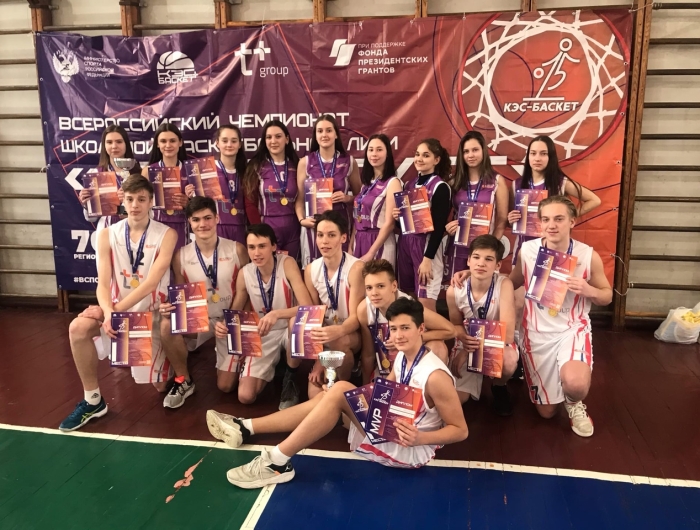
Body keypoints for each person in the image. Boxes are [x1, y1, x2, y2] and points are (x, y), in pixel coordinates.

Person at [206, 297, 469, 488]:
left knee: (340, 390)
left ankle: (276, 461)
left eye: (406, 328)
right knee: (330, 395)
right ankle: (245, 427)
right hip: (389, 424)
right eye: (394, 328)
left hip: (408, 447)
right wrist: (347, 397)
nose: (398, 335)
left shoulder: (435, 376)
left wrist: (420, 438)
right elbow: (382, 392)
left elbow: (460, 430)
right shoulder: (402, 356)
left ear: (421, 329)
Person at [59, 175, 178, 432]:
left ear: (151, 202)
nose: (135, 205)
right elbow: (102, 283)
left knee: (160, 386)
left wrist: (113, 313)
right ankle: (93, 400)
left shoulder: (167, 234)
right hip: (115, 314)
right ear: (122, 200)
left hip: (149, 313)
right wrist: (108, 312)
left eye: (141, 199)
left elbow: (151, 283)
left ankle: (175, 370)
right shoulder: (105, 234)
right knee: (78, 328)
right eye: (130, 199)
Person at [509, 195, 612, 437]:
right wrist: (475, 278)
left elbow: (607, 296)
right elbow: (511, 282)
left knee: (576, 385)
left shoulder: (587, 256)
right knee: (546, 413)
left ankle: (574, 402)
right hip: (536, 334)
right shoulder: (528, 250)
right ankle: (556, 382)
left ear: (572, 221)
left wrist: (589, 290)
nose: (551, 225)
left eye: (558, 219)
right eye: (546, 220)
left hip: (571, 329)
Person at [158, 196, 249, 407]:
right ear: (189, 222)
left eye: (207, 218)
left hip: (230, 321)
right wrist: (170, 308)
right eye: (196, 219)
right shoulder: (181, 256)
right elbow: (181, 296)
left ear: (217, 218)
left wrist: (233, 322)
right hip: (201, 321)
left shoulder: (237, 249)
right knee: (166, 325)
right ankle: (183, 379)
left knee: (226, 386)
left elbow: (246, 292)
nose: (203, 224)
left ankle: (237, 357)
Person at [212, 223, 312, 406]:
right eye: (251, 247)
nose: (256, 253)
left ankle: (290, 378)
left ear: (273, 246)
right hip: (264, 333)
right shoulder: (245, 273)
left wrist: (276, 314)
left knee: (296, 324)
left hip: (289, 329)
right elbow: (236, 311)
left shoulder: (287, 264)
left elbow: (308, 307)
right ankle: (277, 364)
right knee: (245, 396)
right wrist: (224, 324)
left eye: (262, 246)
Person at [281, 210, 364, 407]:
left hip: (349, 334)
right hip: (325, 336)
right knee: (315, 397)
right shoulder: (311, 269)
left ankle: (343, 385)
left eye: (331, 235)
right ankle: (293, 378)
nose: (324, 241)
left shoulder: (356, 268)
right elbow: (313, 314)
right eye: (320, 235)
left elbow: (356, 319)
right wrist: (320, 359)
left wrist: (338, 331)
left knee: (339, 341)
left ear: (343, 238)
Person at [446, 235, 518, 416]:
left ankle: (499, 385)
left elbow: (508, 334)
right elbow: (456, 324)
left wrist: (467, 351)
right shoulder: (454, 290)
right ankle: (472, 377)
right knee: (457, 400)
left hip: (497, 342)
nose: (481, 263)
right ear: (468, 260)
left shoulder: (504, 285)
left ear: (498, 265)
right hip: (468, 341)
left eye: (488, 259)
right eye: (476, 257)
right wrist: (465, 343)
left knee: (509, 360)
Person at [507, 135, 601, 266]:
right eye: (533, 153)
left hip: (554, 252)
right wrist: (511, 219)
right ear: (528, 157)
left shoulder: (560, 183)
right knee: (520, 279)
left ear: (550, 157)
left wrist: (568, 217)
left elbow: (594, 200)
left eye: (543, 154)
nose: (537, 158)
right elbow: (510, 222)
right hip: (524, 251)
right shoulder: (516, 184)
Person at [358, 259, 454, 383]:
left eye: (380, 286)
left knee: (438, 347)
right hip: (384, 368)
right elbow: (368, 354)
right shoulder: (364, 310)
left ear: (394, 286)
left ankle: (429, 390)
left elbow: (450, 330)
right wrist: (365, 386)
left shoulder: (409, 306)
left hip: (412, 367)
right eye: (369, 288)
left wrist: (415, 338)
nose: (374, 293)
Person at [393, 138, 452, 312]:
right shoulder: (409, 185)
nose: (419, 159)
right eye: (417, 154)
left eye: (426, 155)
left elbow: (439, 227)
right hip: (405, 244)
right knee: (408, 303)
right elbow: (406, 224)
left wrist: (427, 259)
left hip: (425, 247)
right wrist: (397, 217)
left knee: (426, 308)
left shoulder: (440, 187)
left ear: (436, 159)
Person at [297, 114, 360, 268]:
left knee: (341, 269)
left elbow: (360, 197)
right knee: (313, 270)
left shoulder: (348, 161)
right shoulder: (305, 162)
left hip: (339, 225)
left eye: (329, 130)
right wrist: (301, 220)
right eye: (320, 131)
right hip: (314, 226)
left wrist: (347, 198)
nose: (324, 135)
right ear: (315, 135)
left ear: (336, 134)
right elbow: (299, 199)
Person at [445, 131, 508, 276]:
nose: (470, 155)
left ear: (483, 151)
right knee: (457, 287)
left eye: (475, 150)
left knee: (482, 288)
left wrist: (491, 245)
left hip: (484, 252)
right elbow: (443, 216)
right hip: (457, 248)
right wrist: (447, 227)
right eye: (466, 151)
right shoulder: (454, 182)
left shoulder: (497, 181)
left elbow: (502, 219)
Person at [242, 120, 300, 260]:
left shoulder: (297, 165)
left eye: (278, 136)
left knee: (291, 267)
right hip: (267, 225)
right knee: (270, 268)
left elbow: (304, 198)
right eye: (269, 137)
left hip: (293, 227)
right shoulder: (256, 166)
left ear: (287, 139)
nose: (273, 141)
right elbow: (250, 202)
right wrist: (259, 231)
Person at [185, 125, 248, 245]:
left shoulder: (246, 171)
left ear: (240, 144)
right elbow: (198, 203)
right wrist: (190, 196)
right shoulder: (206, 170)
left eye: (234, 141)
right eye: (225, 141)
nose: (229, 145)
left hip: (241, 228)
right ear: (217, 143)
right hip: (215, 227)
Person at [351, 134, 403, 267]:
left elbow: (390, 223)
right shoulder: (366, 184)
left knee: (379, 279)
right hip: (359, 239)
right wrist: (351, 245)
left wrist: (371, 252)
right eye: (371, 149)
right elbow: (357, 218)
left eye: (379, 149)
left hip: (379, 242)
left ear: (387, 153)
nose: (374, 154)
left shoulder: (393, 182)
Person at [142, 123, 189, 250]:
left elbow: (202, 205)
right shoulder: (148, 171)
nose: (168, 145)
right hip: (155, 225)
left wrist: (189, 203)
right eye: (163, 141)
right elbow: (141, 201)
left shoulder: (191, 170)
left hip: (182, 225)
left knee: (179, 261)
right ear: (157, 144)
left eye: (172, 141)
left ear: (180, 143)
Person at [78, 125, 134, 230]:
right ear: (104, 146)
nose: (114, 146)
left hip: (135, 231)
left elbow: (149, 212)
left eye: (119, 142)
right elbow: (91, 219)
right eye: (109, 142)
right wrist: (87, 204)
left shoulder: (138, 173)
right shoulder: (96, 174)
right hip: (106, 231)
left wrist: (127, 202)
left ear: (126, 144)